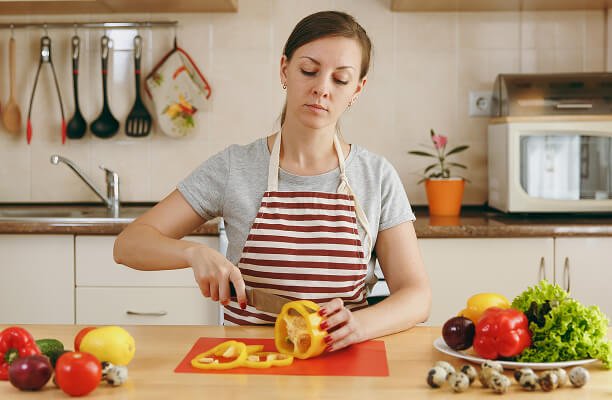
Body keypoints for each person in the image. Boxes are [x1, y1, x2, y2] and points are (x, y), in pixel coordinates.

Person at [114, 10, 431, 352]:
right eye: (308, 70)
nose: (322, 88)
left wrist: (359, 325)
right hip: (250, 362)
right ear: (284, 69)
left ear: (357, 89)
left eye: (340, 79)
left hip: (343, 359)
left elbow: (417, 295)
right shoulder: (235, 166)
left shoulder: (376, 176)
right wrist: (192, 253)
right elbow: (129, 244)